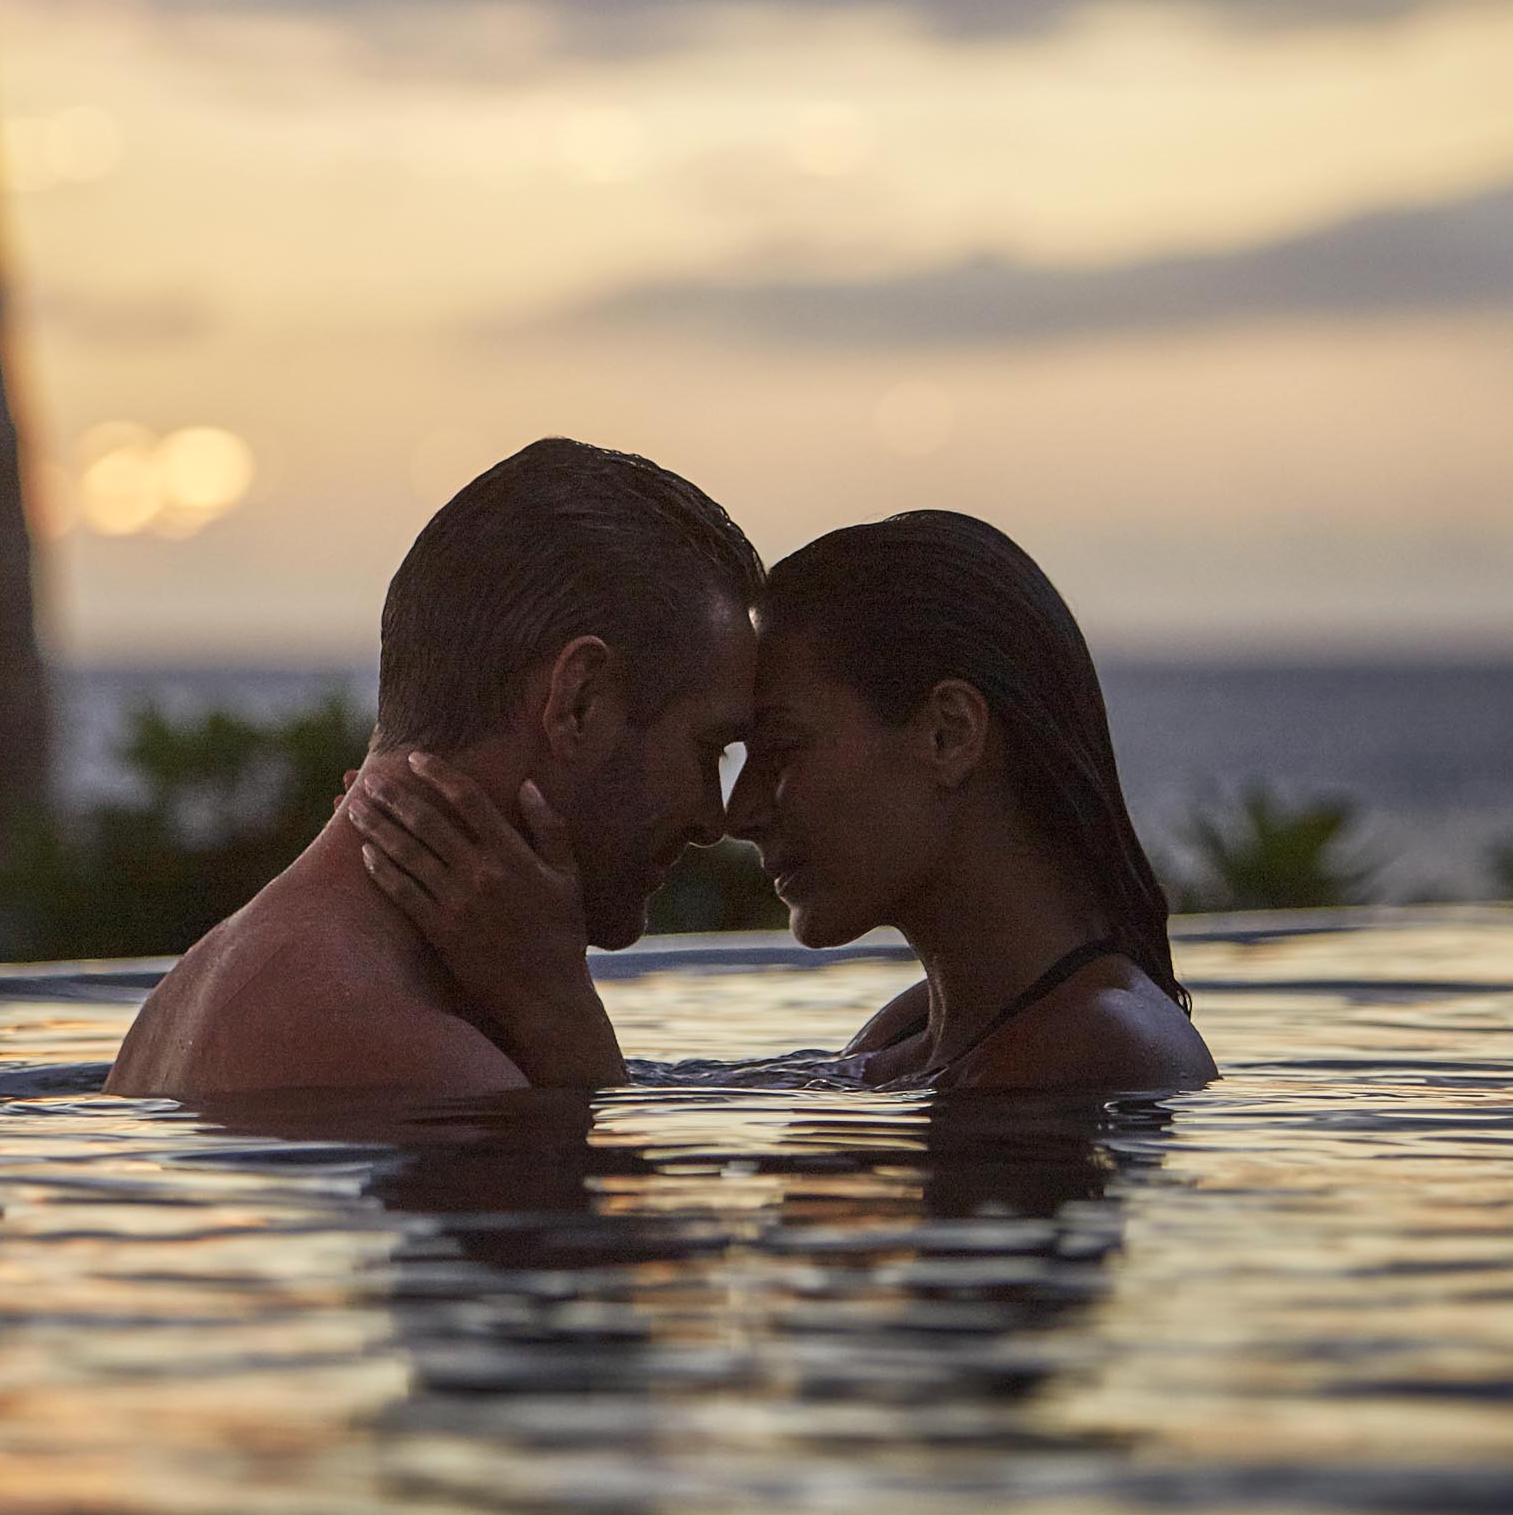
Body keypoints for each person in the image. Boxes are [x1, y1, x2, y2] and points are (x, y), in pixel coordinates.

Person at [352, 507, 1214, 1099]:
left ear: (948, 734)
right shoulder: (921, 1033)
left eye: (783, 749)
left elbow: (616, 1243)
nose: (740, 812)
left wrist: (552, 1004)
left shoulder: (1092, 1051)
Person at [105, 438, 759, 1103]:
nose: (715, 818)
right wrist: (563, 1025)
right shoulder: (399, 1053)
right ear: (578, 702)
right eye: (708, 749)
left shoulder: (230, 977)